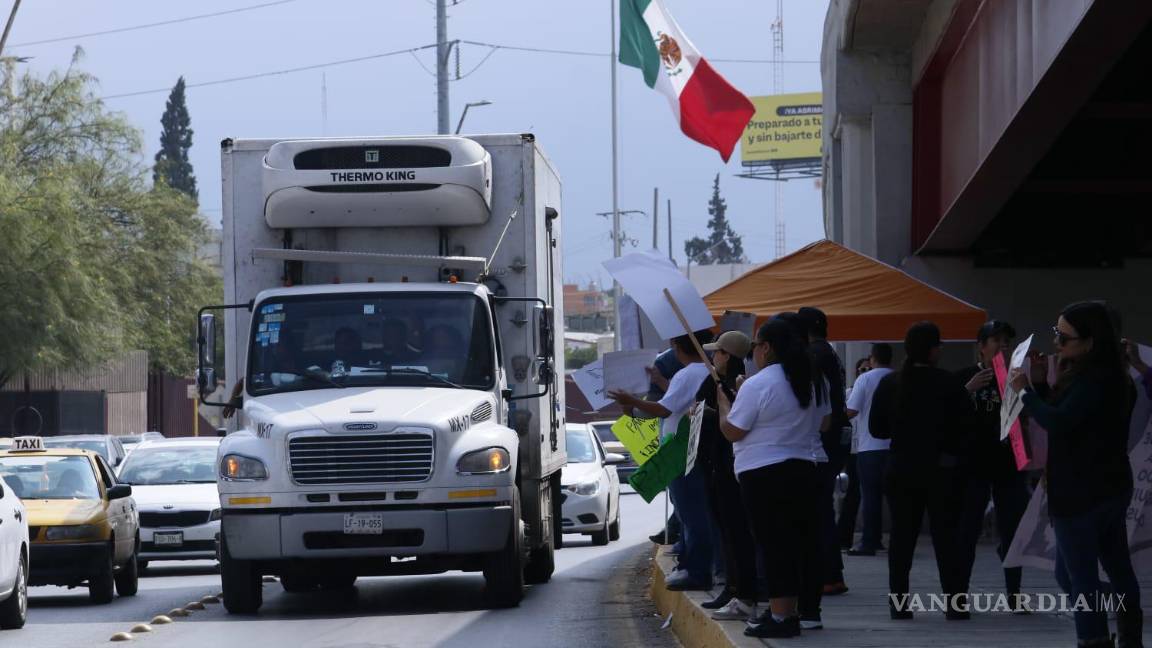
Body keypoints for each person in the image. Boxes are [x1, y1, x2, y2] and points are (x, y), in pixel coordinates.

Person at [1011, 302, 1142, 648]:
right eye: (1057, 334)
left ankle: (1094, 638)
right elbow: (1066, 417)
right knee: (1111, 568)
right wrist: (1039, 386)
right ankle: (1127, 636)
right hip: (1109, 486)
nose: (1057, 343)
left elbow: (1058, 421)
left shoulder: (1094, 380)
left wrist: (1024, 390)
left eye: (1064, 337)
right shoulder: (1111, 377)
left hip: (1082, 492)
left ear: (1090, 342)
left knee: (1078, 576)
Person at [717, 318, 829, 638]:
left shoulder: (759, 382)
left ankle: (782, 617)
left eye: (755, 346)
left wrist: (726, 403)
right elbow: (824, 422)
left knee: (774, 545)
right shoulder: (813, 379)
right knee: (795, 544)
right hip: (804, 467)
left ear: (766, 347)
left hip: (764, 473)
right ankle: (790, 611)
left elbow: (733, 430)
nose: (753, 353)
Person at [870, 322, 970, 620]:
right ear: (932, 350)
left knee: (901, 540)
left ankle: (899, 604)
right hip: (941, 470)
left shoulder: (891, 383)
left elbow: (876, 428)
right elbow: (965, 428)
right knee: (946, 538)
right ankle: (955, 603)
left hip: (901, 467)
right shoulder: (948, 383)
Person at [611, 330, 715, 591]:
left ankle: (696, 571)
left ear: (676, 346)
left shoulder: (688, 373)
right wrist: (631, 407)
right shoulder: (706, 371)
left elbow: (664, 409)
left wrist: (630, 400)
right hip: (693, 448)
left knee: (690, 514)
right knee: (693, 512)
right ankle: (692, 565)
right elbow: (670, 404)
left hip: (681, 452)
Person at [953, 320, 1031, 611]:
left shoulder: (1017, 380)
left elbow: (1029, 421)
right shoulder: (964, 377)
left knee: (1012, 530)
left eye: (1007, 342)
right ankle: (958, 596)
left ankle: (1014, 594)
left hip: (1008, 467)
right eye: (996, 340)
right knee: (967, 531)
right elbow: (946, 417)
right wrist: (966, 391)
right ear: (981, 347)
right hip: (972, 468)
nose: (1003, 346)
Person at [693, 331, 759, 620]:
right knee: (725, 532)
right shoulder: (713, 381)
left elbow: (731, 424)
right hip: (714, 464)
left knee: (737, 533)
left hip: (733, 468)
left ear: (728, 356)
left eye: (718, 352)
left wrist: (707, 413)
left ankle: (744, 591)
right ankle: (732, 587)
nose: (713, 356)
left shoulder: (740, 385)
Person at [797, 307, 850, 596]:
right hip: (834, 438)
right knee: (822, 508)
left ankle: (828, 574)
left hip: (823, 441)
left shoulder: (815, 355)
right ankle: (831, 573)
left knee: (818, 510)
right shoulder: (828, 352)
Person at [845, 343, 893, 556]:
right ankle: (894, 539)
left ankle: (870, 541)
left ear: (872, 359)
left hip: (870, 446)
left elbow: (852, 410)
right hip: (895, 446)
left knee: (870, 496)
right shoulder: (898, 377)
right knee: (895, 497)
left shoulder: (864, 378)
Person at [837, 357, 871, 550]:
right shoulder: (850, 393)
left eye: (868, 369)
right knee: (853, 494)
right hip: (854, 449)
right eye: (861, 370)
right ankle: (844, 537)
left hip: (871, 447)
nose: (864, 372)